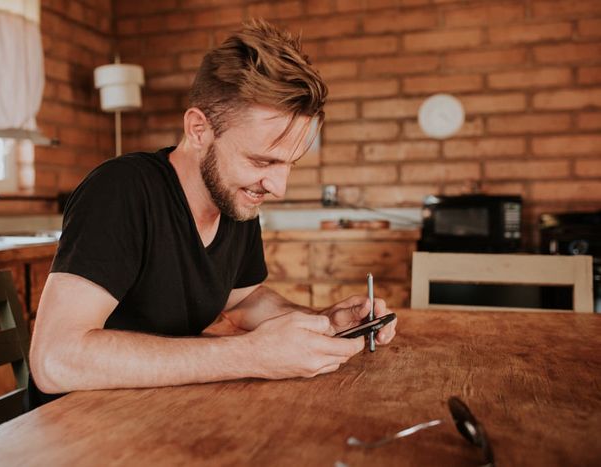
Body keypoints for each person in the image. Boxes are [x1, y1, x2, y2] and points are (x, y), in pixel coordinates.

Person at [28, 19, 396, 408]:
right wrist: (251, 354)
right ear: (199, 129)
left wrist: (324, 323)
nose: (278, 187)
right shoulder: (122, 190)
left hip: (157, 415)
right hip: (76, 429)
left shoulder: (236, 202)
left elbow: (243, 301)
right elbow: (55, 361)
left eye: (289, 164)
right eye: (261, 160)